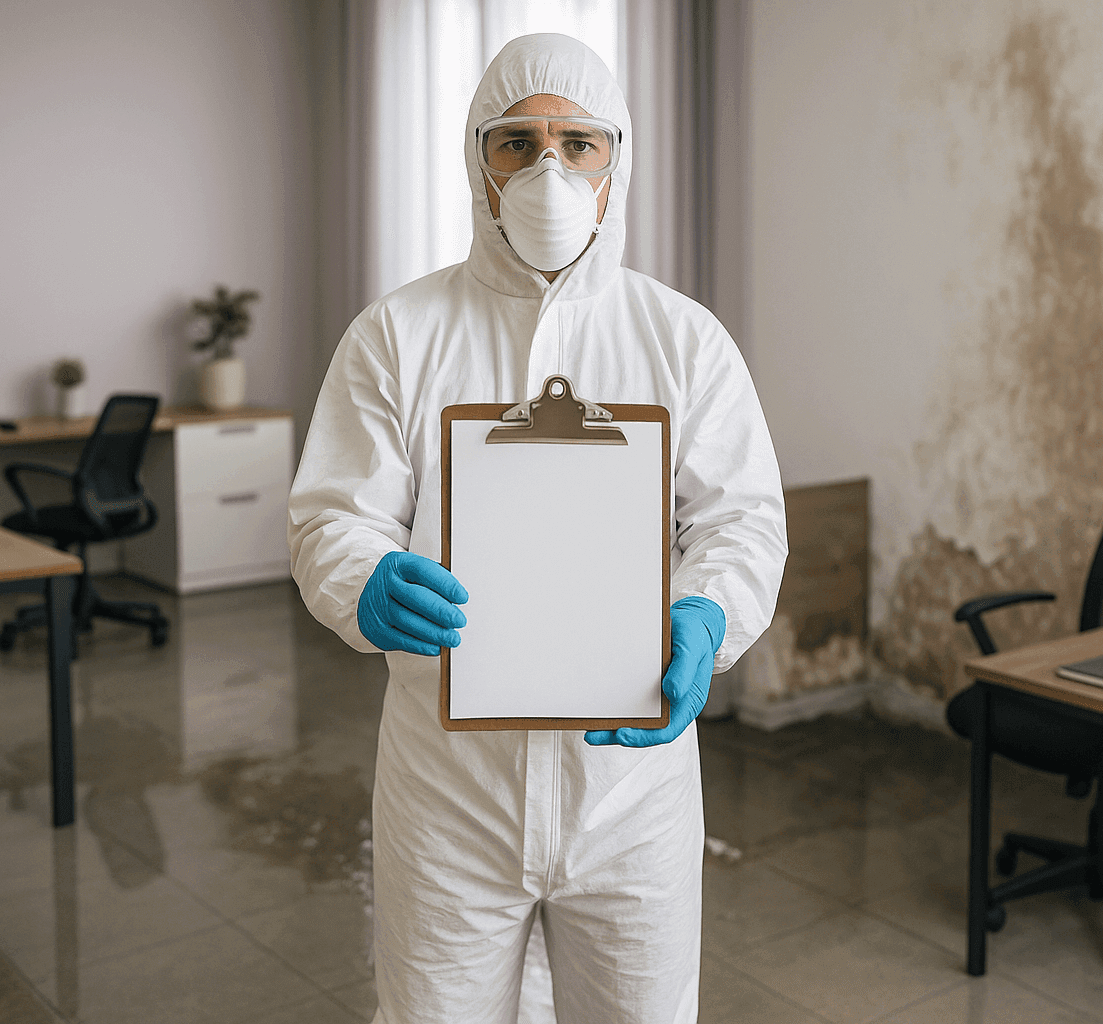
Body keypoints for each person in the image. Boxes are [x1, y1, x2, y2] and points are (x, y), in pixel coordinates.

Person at [289, 33, 786, 1024]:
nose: (548, 171)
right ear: (478, 161)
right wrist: (366, 578)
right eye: (517, 142)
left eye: (579, 143)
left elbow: (741, 520)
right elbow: (332, 515)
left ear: (618, 161)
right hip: (447, 784)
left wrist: (705, 615)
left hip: (629, 789)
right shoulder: (398, 334)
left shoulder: (682, 341)